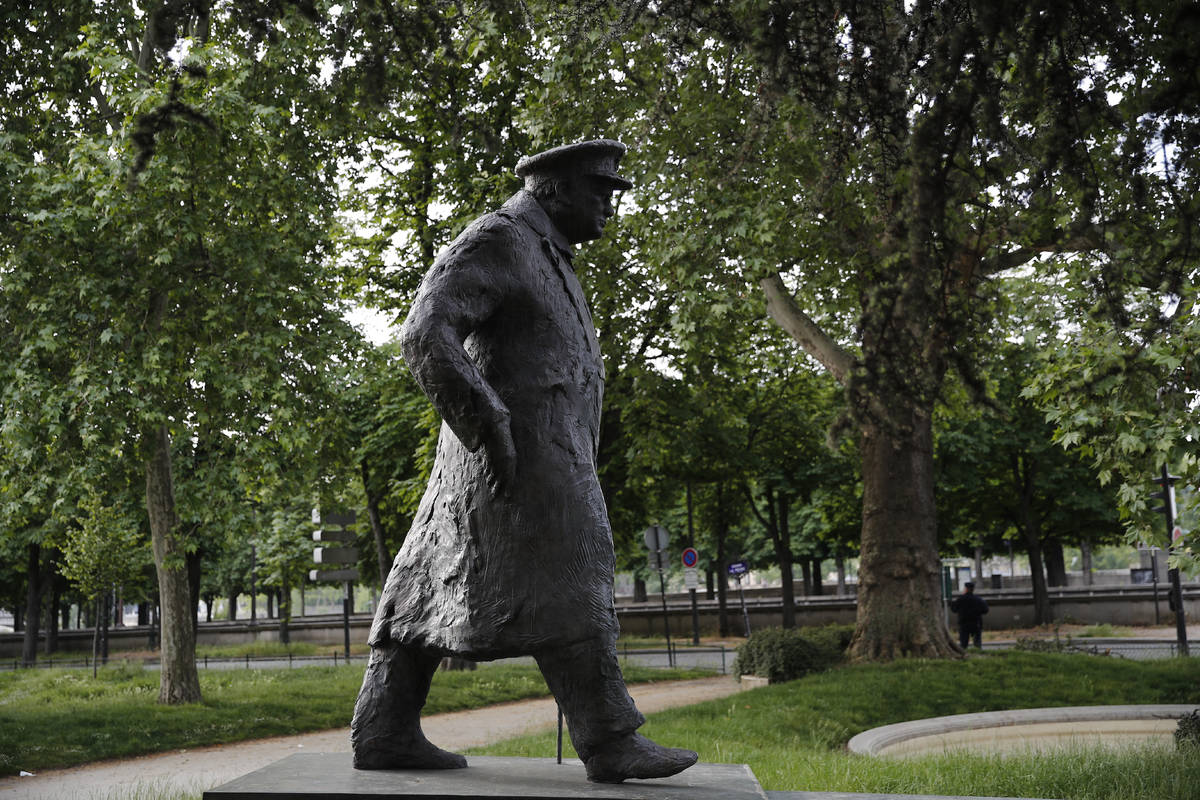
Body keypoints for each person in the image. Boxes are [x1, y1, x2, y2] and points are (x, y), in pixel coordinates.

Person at [350, 139, 698, 784]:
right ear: (555, 188)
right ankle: (610, 738)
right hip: (516, 449)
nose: (609, 207)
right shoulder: (500, 239)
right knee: (577, 564)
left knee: (426, 578)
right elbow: (426, 328)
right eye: (600, 190)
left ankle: (384, 727)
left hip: (520, 449)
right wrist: (485, 419)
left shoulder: (547, 253)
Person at [949, 581, 989, 649]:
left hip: (964, 624)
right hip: (976, 623)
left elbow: (953, 609)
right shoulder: (978, 600)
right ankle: (978, 652)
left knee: (963, 644)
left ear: (966, 589)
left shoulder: (960, 599)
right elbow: (985, 610)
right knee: (977, 643)